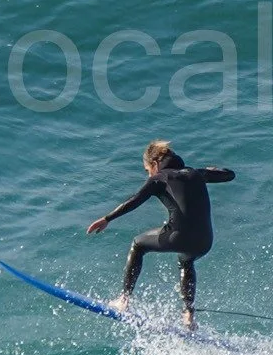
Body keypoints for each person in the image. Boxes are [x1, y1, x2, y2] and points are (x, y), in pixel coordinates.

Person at [86, 140, 235, 330]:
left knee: (138, 244)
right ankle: (188, 315)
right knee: (186, 262)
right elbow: (229, 175)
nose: (148, 174)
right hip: (205, 241)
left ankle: (123, 299)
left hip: (178, 235)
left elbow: (135, 199)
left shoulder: (159, 178)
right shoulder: (195, 173)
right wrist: (205, 171)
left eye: (147, 169)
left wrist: (108, 218)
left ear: (155, 164)